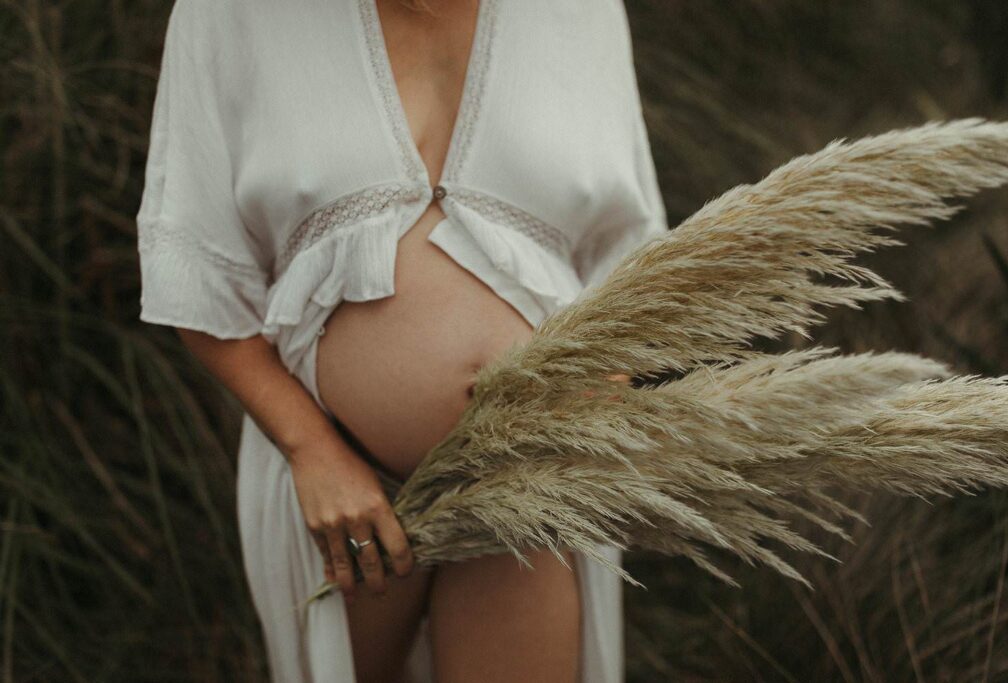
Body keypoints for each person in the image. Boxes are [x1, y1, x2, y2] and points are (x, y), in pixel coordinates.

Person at [134, 0, 669, 680]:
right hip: (350, 489)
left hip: (528, 491)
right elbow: (196, 271)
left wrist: (590, 408)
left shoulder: (581, 12)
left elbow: (632, 265)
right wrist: (311, 449)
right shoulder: (231, 15)